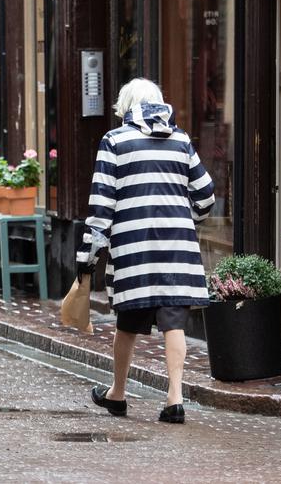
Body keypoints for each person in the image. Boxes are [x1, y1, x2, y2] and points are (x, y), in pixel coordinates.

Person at [77, 78, 214, 424]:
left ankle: (118, 394)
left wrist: (86, 259)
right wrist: (187, 218)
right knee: (174, 323)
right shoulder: (181, 140)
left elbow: (101, 206)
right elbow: (206, 195)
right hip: (177, 245)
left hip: (133, 249)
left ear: (126, 107)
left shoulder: (115, 141)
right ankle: (174, 399)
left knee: (128, 323)